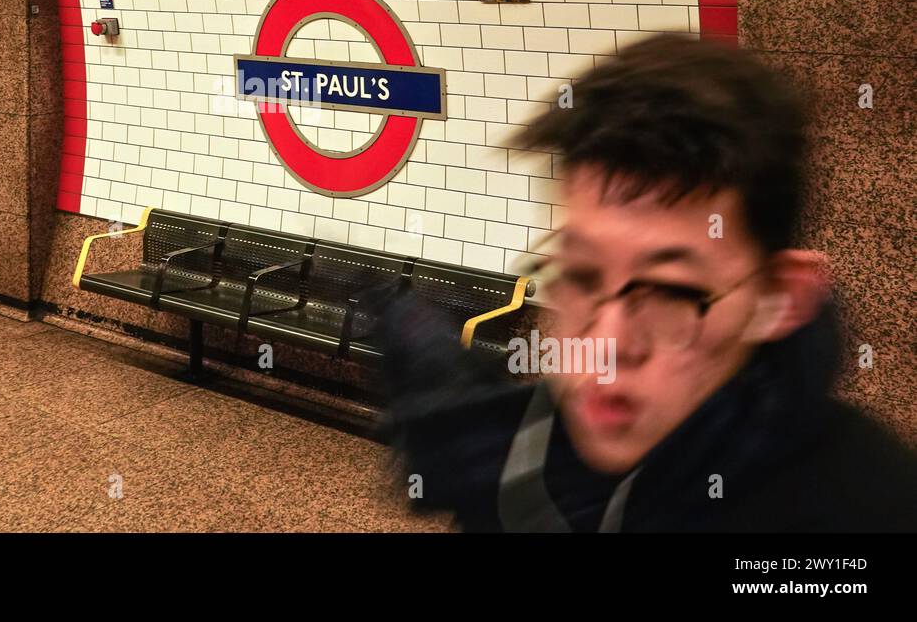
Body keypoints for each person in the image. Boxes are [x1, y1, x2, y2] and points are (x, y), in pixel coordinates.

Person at [379, 33, 917, 531]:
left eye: (671, 291)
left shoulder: (871, 505)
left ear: (780, 298)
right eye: (581, 276)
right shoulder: (511, 468)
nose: (605, 348)